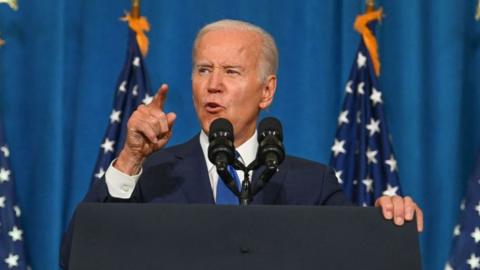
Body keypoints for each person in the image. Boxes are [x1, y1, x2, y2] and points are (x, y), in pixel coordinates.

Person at [60, 19, 423, 268]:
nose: (212, 84)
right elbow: (76, 255)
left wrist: (390, 219)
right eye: (203, 69)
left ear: (267, 91)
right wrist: (128, 160)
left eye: (231, 72)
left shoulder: (312, 185)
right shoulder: (152, 174)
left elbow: (359, 256)